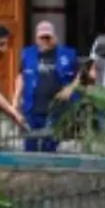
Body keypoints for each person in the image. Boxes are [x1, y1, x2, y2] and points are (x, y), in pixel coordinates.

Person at [19, 20, 80, 153]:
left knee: (50, 145)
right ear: (36, 38)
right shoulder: (27, 54)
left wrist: (70, 89)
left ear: (54, 37)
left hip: (56, 108)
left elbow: (81, 75)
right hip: (32, 107)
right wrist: (15, 100)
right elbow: (20, 77)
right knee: (30, 145)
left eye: (48, 37)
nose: (45, 40)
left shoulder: (68, 54)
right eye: (42, 37)